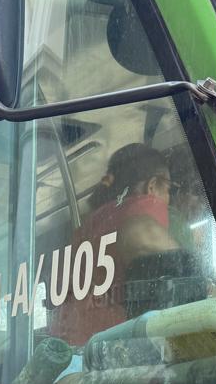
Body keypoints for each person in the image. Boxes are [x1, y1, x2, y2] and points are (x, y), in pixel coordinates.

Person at [52, 143, 183, 345]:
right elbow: (142, 235)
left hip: (72, 346)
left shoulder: (89, 227)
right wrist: (208, 287)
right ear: (153, 185)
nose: (168, 199)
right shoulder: (142, 216)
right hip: (111, 351)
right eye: (168, 190)